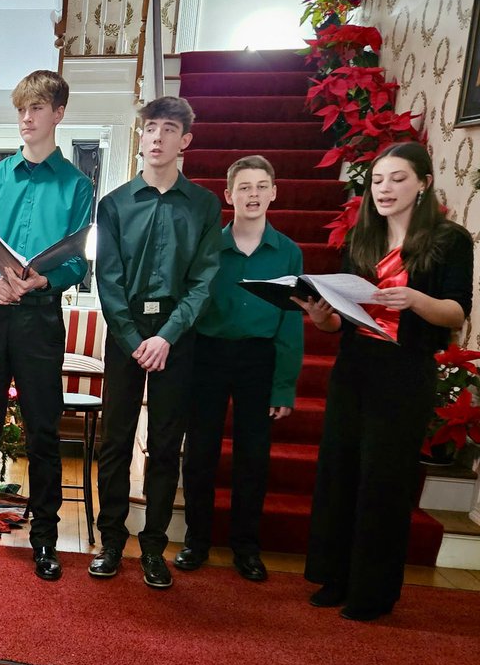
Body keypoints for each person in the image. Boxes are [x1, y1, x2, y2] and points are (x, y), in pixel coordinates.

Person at [298, 142, 473, 621]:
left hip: (405, 372)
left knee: (384, 481)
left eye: (397, 179)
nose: (384, 189)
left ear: (423, 184)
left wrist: (414, 298)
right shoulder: (363, 237)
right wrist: (323, 317)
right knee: (340, 473)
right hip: (355, 368)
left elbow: (456, 312)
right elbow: (343, 318)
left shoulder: (450, 240)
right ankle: (335, 577)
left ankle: (372, 592)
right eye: (377, 180)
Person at [0, 69, 93, 581]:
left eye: (36, 109)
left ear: (58, 114)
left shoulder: (78, 185)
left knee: (43, 433)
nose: (26, 118)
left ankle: (45, 540)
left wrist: (44, 279)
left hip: (40, 318)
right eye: (21, 110)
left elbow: (78, 261)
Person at [91, 96, 221, 590]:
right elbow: (108, 279)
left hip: (177, 336)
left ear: (185, 140)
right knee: (115, 441)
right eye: (150, 128)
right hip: (126, 332)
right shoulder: (114, 205)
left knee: (166, 446)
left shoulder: (205, 205)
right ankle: (109, 541)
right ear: (140, 137)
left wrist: (166, 336)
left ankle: (152, 547)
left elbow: (204, 281)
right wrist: (132, 339)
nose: (157, 137)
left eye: (168, 129)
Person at [175, 155, 303, 582]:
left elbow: (291, 322)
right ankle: (196, 540)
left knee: (253, 455)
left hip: (258, 359)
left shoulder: (289, 252)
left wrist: (283, 386)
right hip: (209, 354)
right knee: (201, 452)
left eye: (261, 186)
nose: (253, 194)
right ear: (228, 195)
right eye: (244, 187)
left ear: (274, 193)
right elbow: (191, 304)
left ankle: (246, 546)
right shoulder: (209, 246)